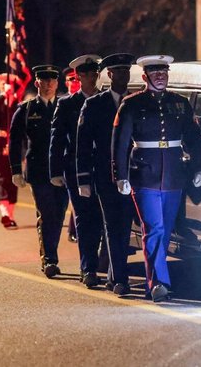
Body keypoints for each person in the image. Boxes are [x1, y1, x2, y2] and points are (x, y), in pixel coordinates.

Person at [112, 55, 201, 303]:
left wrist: (198, 168)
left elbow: (194, 139)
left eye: (164, 72)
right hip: (144, 174)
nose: (161, 76)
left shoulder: (180, 104)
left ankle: (153, 281)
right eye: (155, 73)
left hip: (173, 174)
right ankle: (159, 284)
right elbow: (120, 144)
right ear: (145, 77)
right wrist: (120, 175)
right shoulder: (131, 104)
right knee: (154, 228)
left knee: (164, 231)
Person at [77, 53, 136, 296]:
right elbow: (82, 144)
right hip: (104, 175)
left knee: (125, 225)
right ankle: (121, 278)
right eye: (118, 72)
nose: (123, 75)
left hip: (133, 174)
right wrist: (82, 178)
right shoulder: (94, 105)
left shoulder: (136, 101)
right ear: (109, 75)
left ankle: (114, 274)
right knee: (112, 225)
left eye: (126, 71)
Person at [50, 54, 105, 289]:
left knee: (104, 219)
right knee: (84, 219)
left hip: (102, 168)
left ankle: (106, 267)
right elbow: (58, 139)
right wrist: (55, 171)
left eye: (95, 75)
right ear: (78, 77)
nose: (91, 79)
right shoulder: (67, 104)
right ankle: (88, 268)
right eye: (86, 75)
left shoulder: (106, 101)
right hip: (74, 170)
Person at [9, 65, 68, 278]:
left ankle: (51, 253)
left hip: (61, 169)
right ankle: (49, 259)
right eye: (44, 81)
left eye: (52, 81)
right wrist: (16, 170)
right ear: (37, 83)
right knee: (47, 213)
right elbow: (15, 140)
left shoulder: (64, 106)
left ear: (57, 84)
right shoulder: (26, 109)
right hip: (39, 169)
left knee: (59, 214)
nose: (49, 85)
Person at [0, 74, 21, 228]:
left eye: (6, 83)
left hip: (13, 143)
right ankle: (4, 213)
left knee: (13, 178)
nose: (3, 85)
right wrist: (4, 98)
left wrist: (12, 99)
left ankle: (11, 213)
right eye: (1, 83)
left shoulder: (16, 102)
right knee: (1, 177)